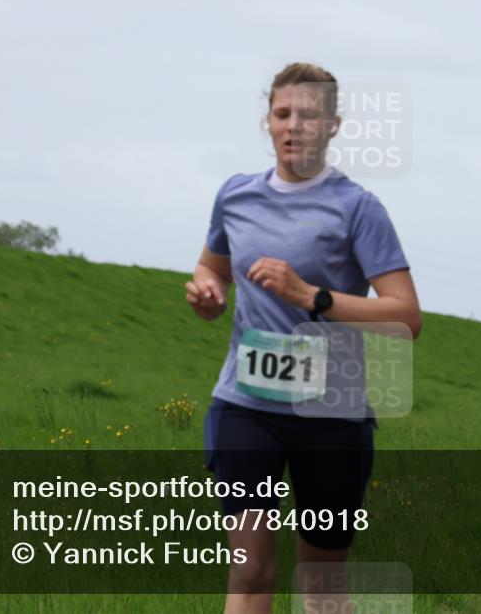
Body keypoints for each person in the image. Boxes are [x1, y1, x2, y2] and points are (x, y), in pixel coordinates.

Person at [185, 62, 421, 613]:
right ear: (267, 122)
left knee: (320, 586)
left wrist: (310, 296)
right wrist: (206, 294)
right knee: (249, 573)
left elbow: (406, 318)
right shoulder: (235, 196)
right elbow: (211, 268)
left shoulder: (358, 208)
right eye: (282, 113)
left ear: (333, 125)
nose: (294, 126)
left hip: (331, 415)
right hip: (246, 405)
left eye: (309, 115)